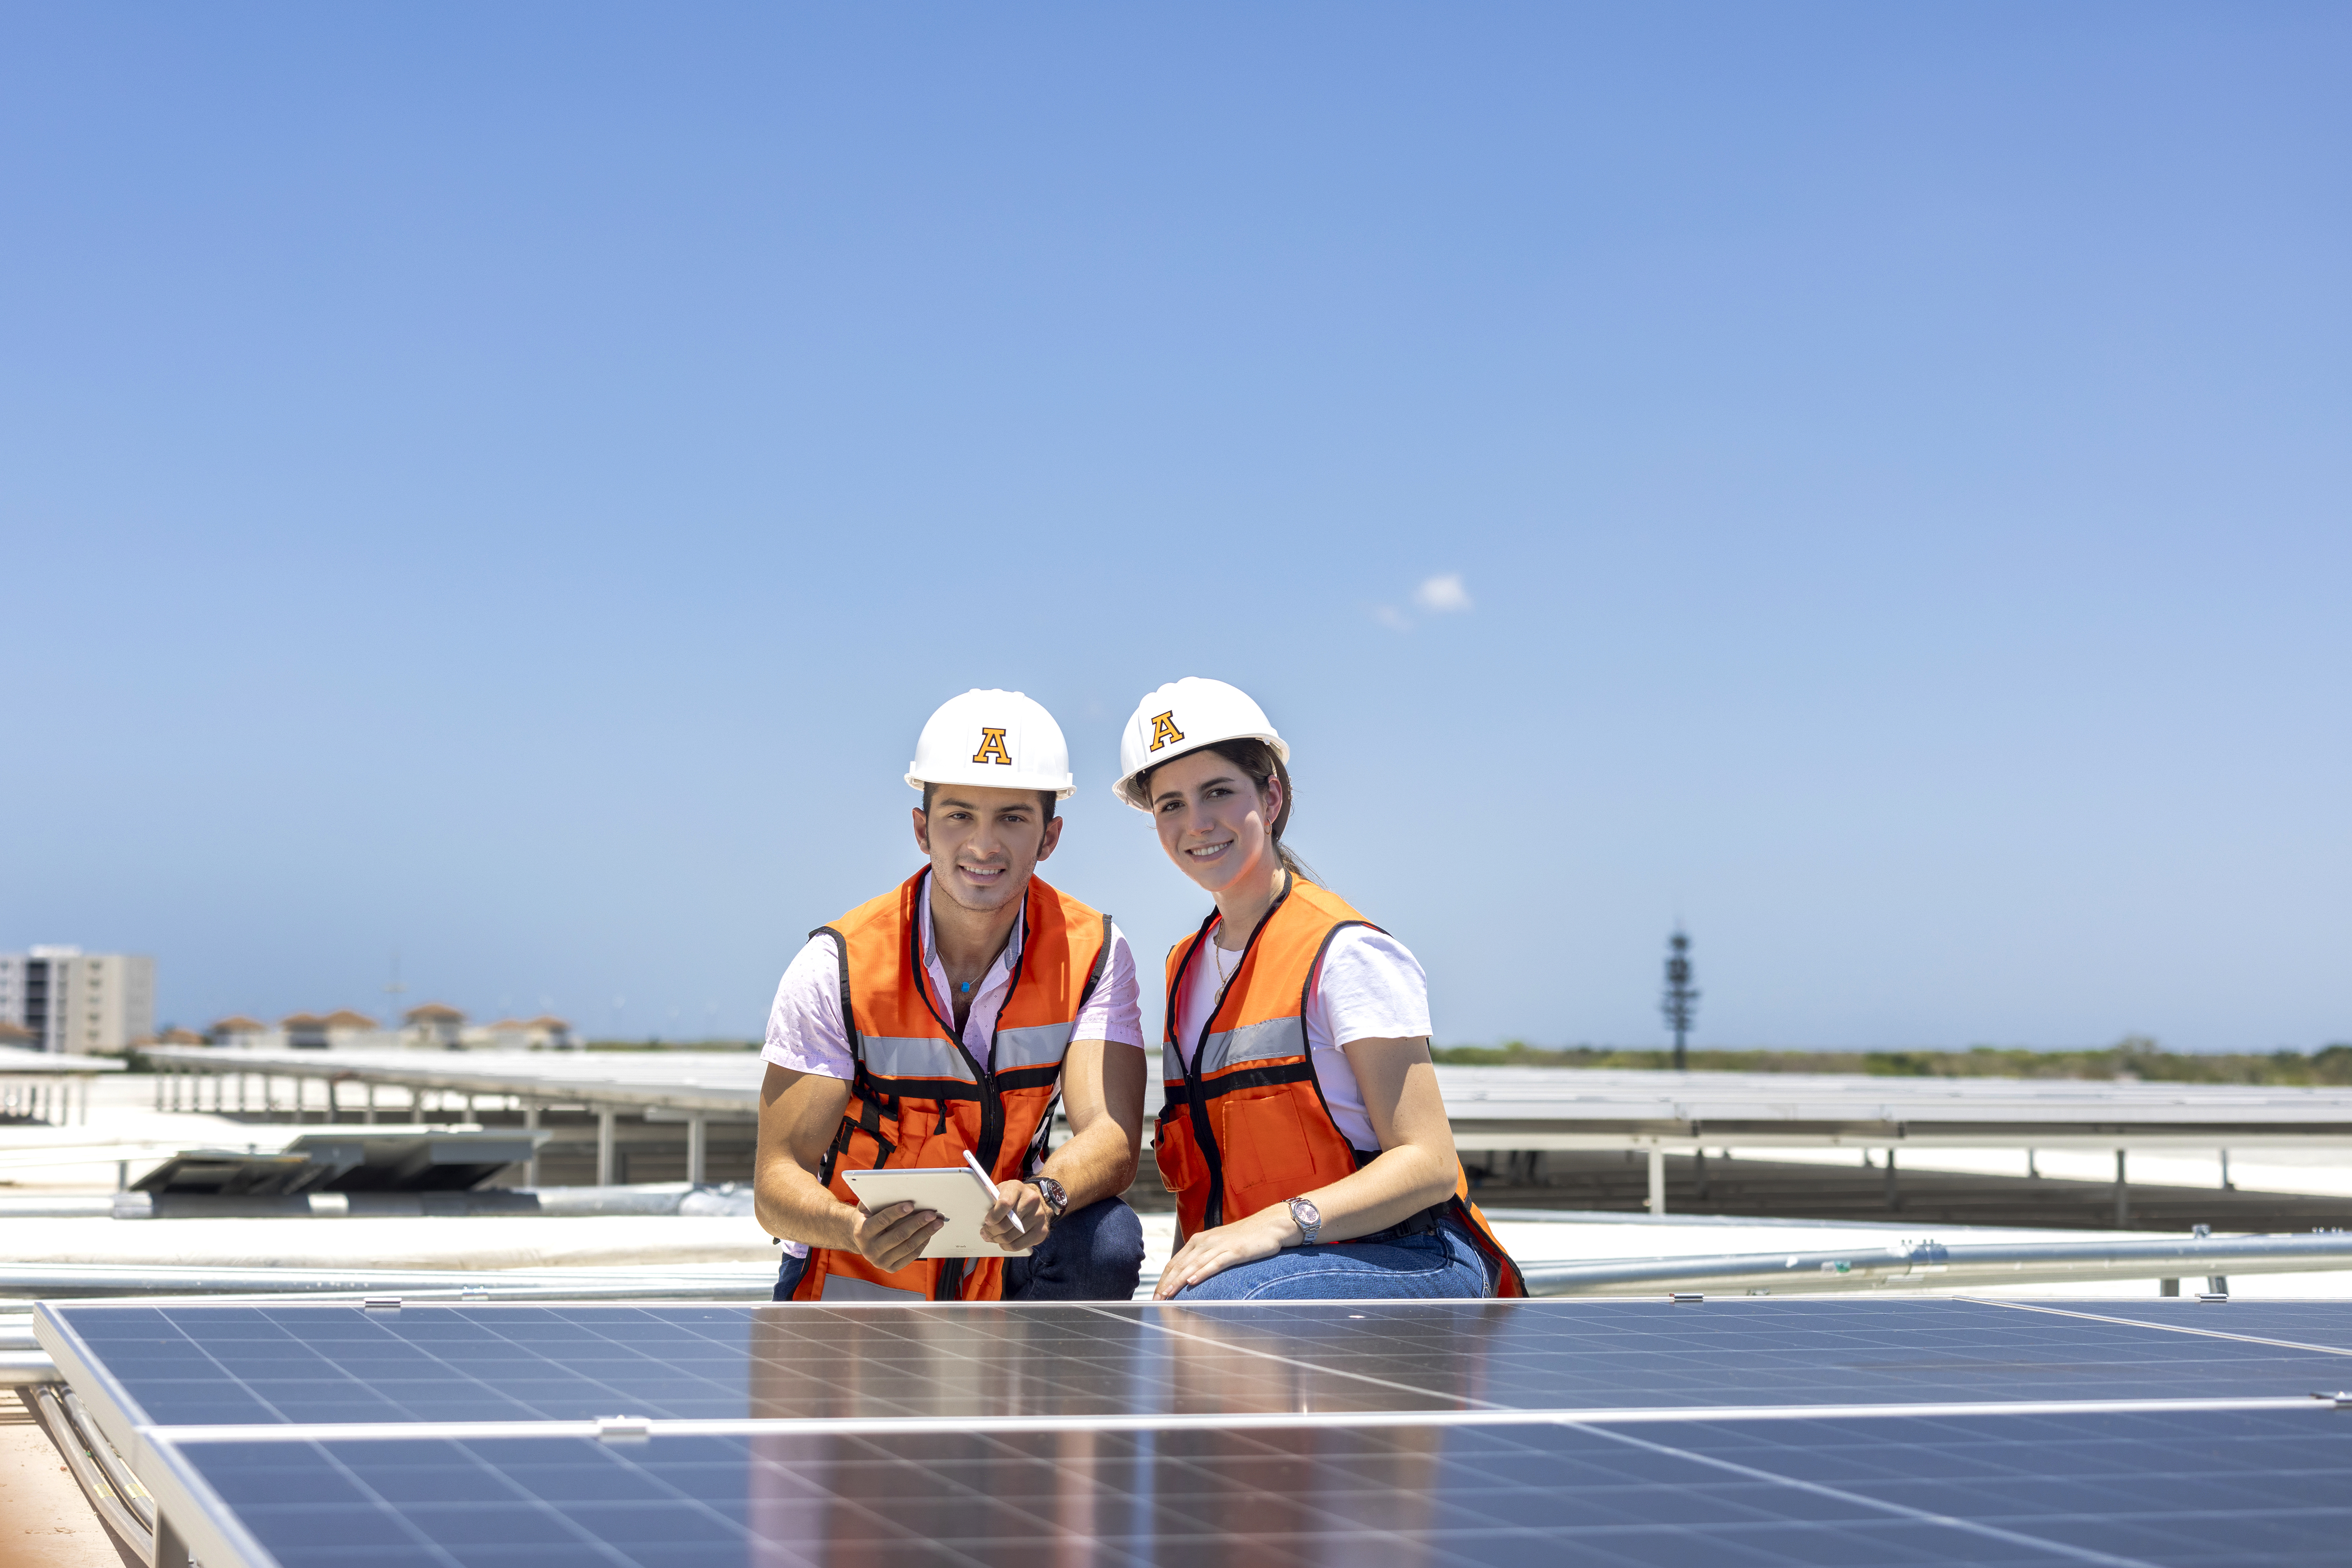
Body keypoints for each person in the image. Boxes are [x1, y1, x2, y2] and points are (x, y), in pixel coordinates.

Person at [1113, 677, 1525, 1301]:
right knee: (1186, 1312)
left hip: (1410, 1253)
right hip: (1272, 1267)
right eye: (1170, 804)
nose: (1196, 823)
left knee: (1218, 1307)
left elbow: (1430, 1164)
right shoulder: (1184, 969)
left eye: (1218, 792)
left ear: (1271, 795)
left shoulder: (1347, 954)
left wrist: (1276, 1226)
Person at [755, 689, 1148, 1302]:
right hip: (857, 1278)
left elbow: (1113, 1138)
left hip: (1001, 1268)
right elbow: (778, 1185)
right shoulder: (838, 964)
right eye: (959, 815)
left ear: (1050, 837)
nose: (983, 846)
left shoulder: (1095, 952)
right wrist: (853, 1229)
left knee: (1107, 1238)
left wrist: (1049, 1193)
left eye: (1013, 818)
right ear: (922, 829)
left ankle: (1048, 1395)